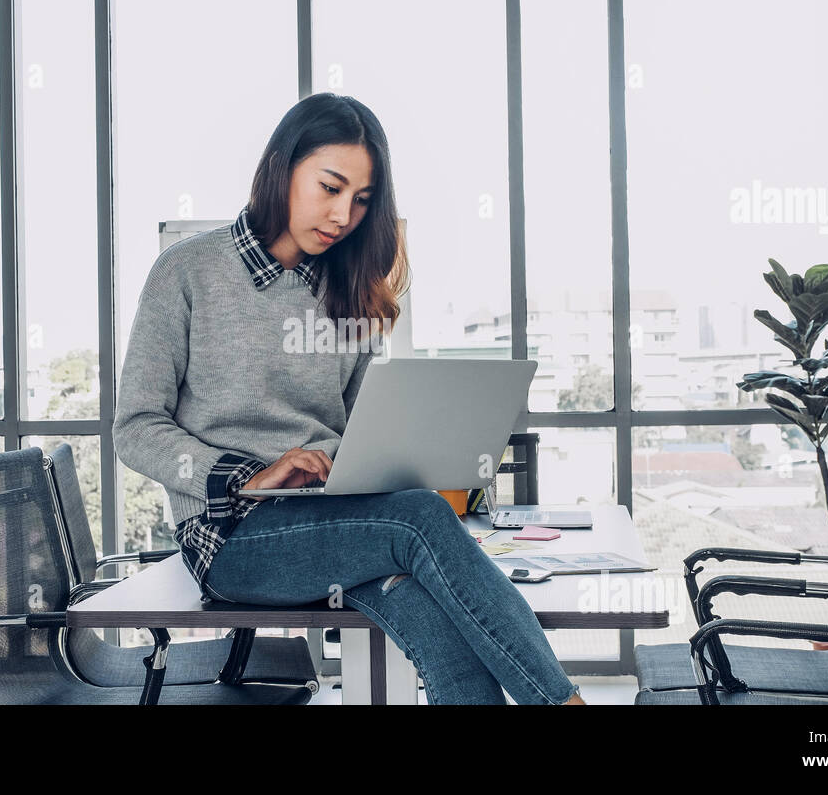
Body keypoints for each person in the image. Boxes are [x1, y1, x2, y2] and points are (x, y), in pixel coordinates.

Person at [113, 92, 584, 705]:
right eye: (330, 187)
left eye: (361, 201)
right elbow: (135, 427)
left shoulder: (352, 290)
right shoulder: (186, 273)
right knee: (417, 520)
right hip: (232, 537)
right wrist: (251, 473)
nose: (342, 215)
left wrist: (430, 457)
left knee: (439, 626)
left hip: (335, 521)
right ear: (281, 167)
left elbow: (366, 429)